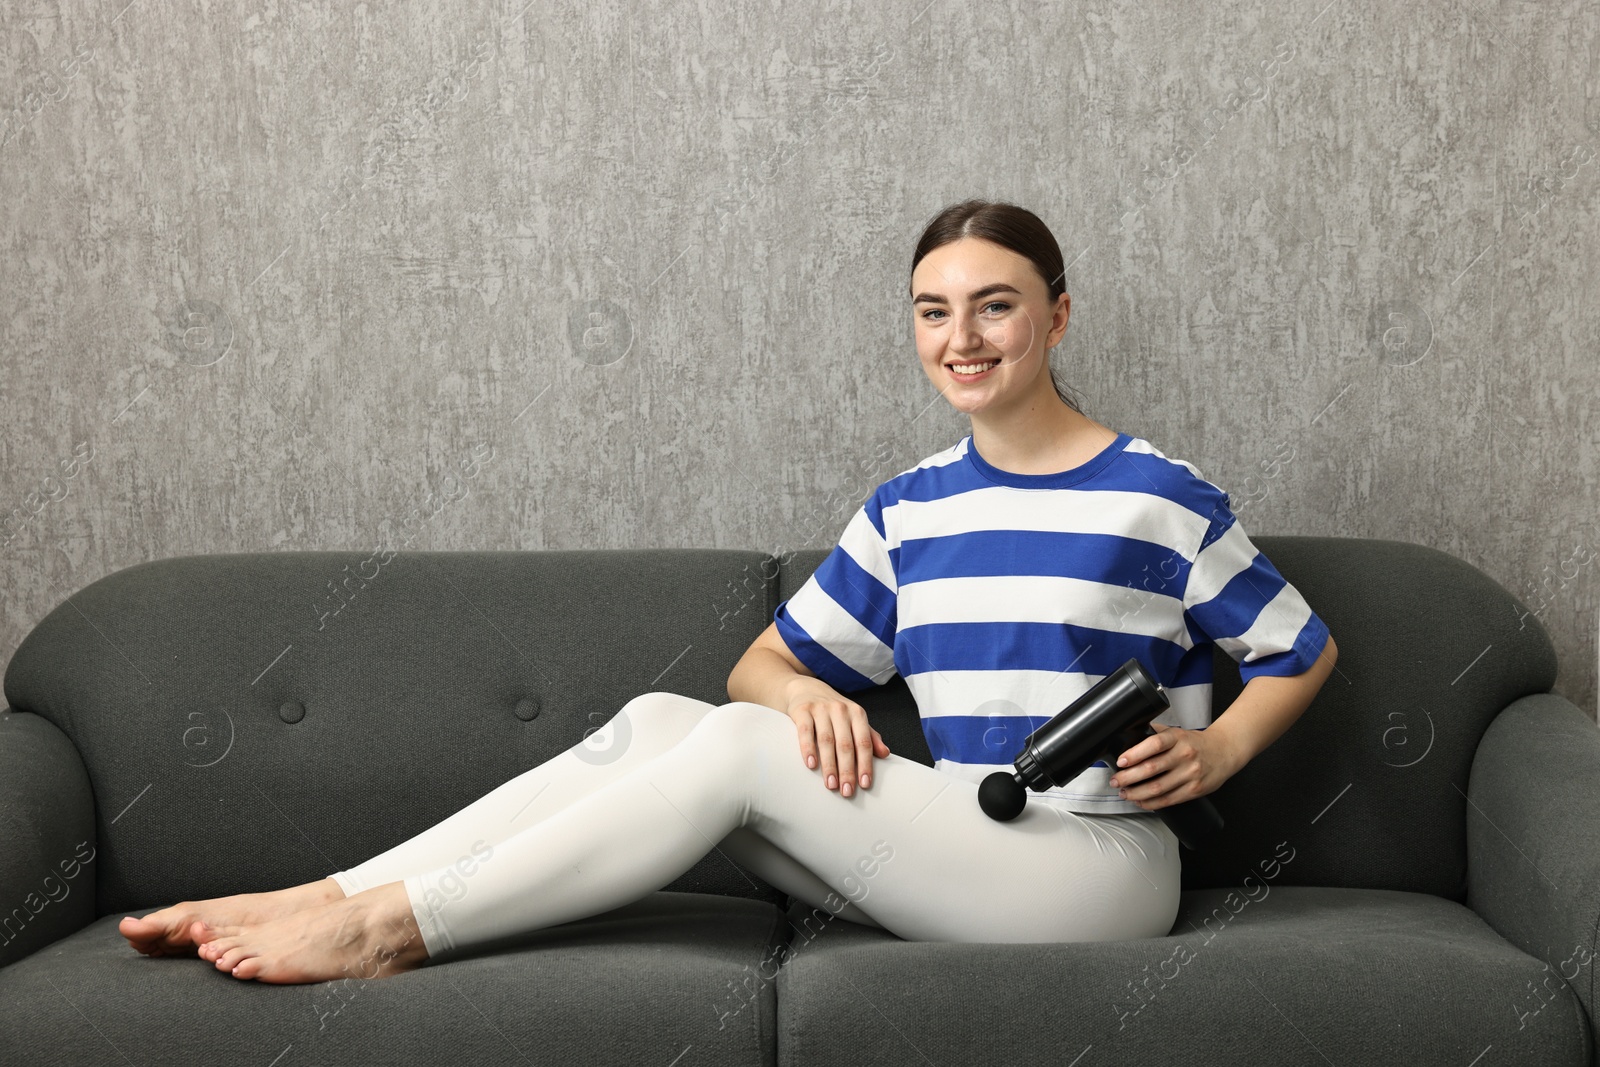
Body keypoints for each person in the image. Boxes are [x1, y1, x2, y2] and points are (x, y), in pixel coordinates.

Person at [117, 198, 1338, 984]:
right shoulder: (909, 508)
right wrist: (805, 696)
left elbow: (1298, 648)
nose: (961, 337)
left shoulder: (1155, 493)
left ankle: (387, 929)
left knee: (740, 755)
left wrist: (1220, 752)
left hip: (1096, 866)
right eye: (932, 311)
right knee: (665, 721)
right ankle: (330, 890)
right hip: (964, 836)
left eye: (995, 304)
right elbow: (761, 666)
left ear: (1056, 315)